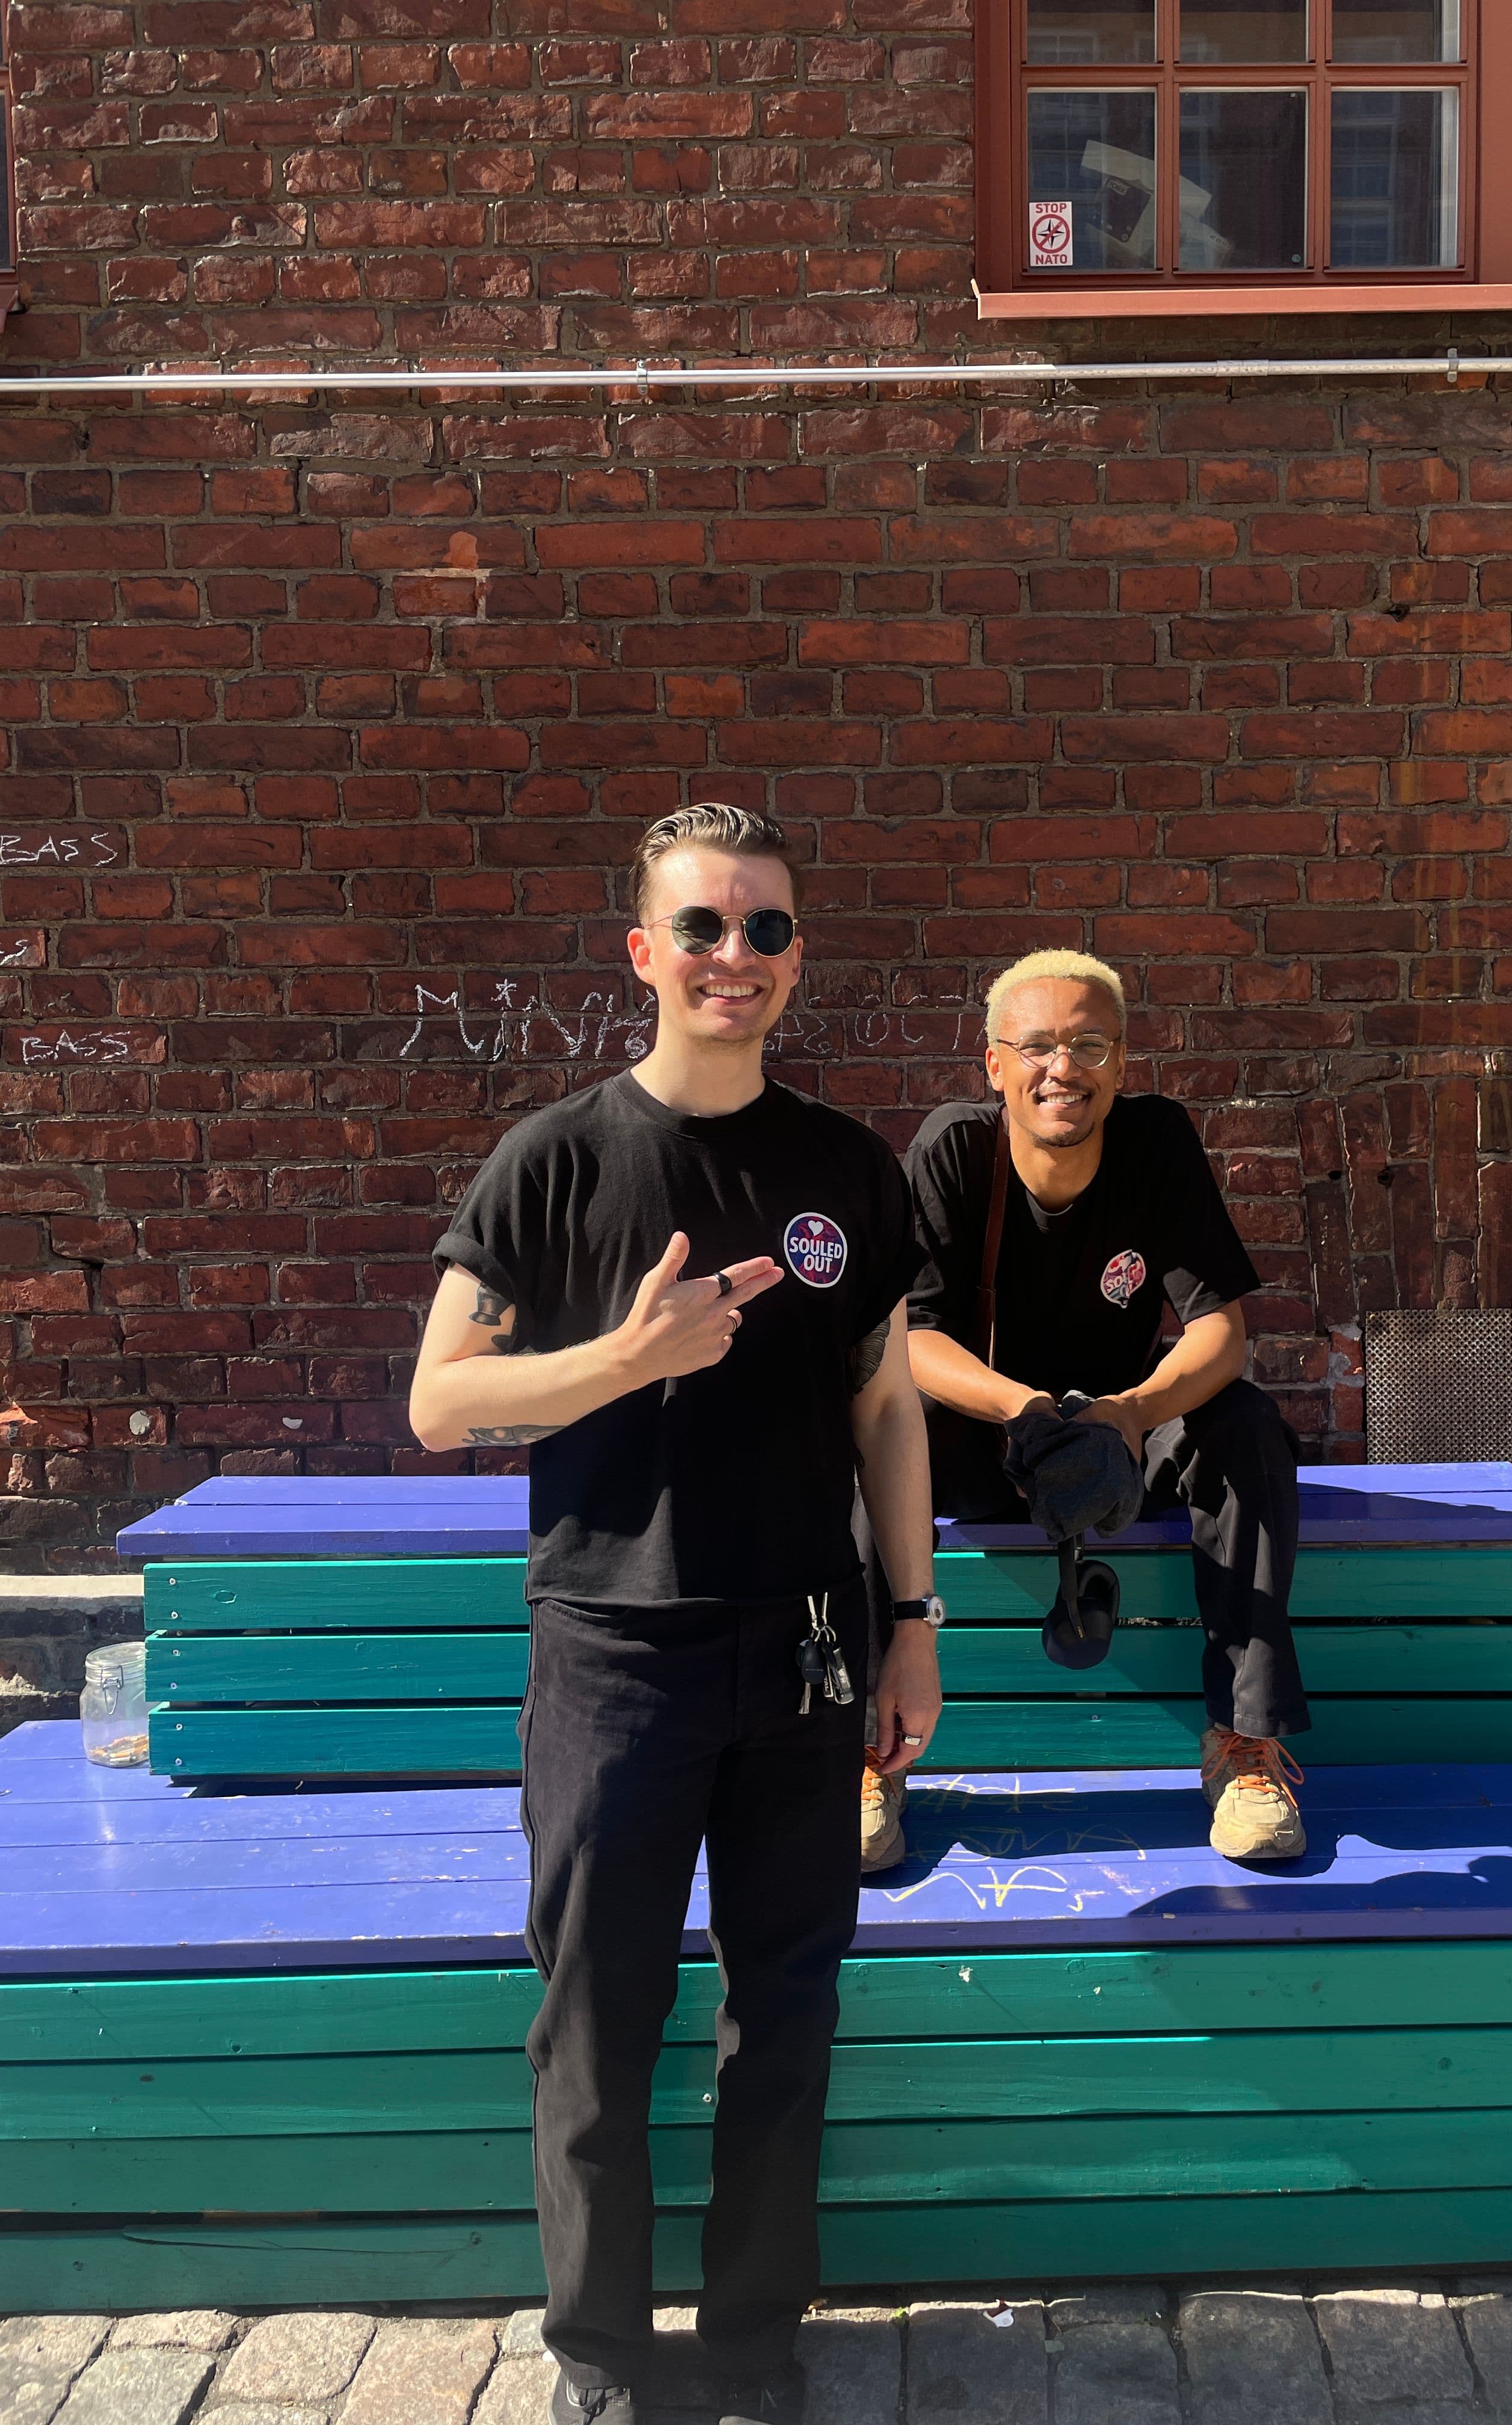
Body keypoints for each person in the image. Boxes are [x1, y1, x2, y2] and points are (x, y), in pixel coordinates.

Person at [410, 805, 942, 2425]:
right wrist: (626, 1360)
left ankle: (754, 2347)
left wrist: (914, 1620)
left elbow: (886, 1406)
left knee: (786, 2018)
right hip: (613, 1659)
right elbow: (440, 1401)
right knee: (598, 2028)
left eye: (766, 928)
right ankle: (602, 2359)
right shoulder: (557, 1160)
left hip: (806, 1656)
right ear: (643, 952)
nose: (736, 956)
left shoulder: (846, 1170)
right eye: (702, 926)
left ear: (797, 957)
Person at [859, 945, 1306, 1875]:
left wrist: (1130, 1414)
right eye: (1038, 1047)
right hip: (989, 1433)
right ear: (995, 1064)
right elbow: (915, 1339)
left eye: (1090, 1046)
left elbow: (1221, 1331)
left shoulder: (1157, 1143)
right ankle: (868, 1752)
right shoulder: (955, 1149)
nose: (1063, 1068)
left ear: (1121, 1062)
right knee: (869, 1431)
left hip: (1119, 1442)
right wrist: (1024, 1409)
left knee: (1245, 1425)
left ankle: (1244, 1745)